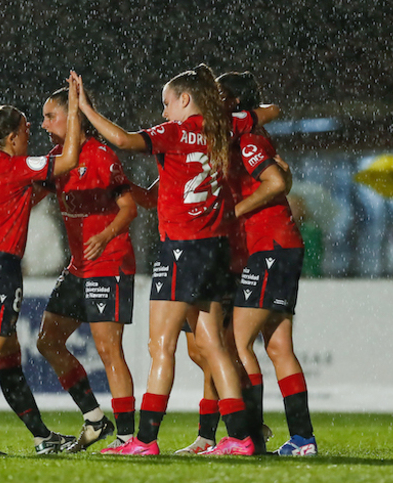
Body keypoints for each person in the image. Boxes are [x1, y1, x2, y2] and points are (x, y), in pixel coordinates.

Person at [74, 65, 257, 456]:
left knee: (161, 345)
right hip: (216, 248)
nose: (163, 113)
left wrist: (87, 109)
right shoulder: (225, 128)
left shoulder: (174, 132)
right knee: (213, 346)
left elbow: (123, 139)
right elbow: (268, 112)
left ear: (185, 100)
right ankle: (241, 436)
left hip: (182, 249)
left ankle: (144, 440)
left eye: (166, 103)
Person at [0, 75, 82, 456]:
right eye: (26, 130)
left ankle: (43, 438)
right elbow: (70, 159)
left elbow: (12, 202)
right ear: (11, 138)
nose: (30, 136)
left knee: (9, 358)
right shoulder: (15, 167)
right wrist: (75, 111)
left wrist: (43, 186)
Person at [219, 71, 317, 456]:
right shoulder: (240, 136)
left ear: (233, 101)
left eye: (219, 95)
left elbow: (276, 182)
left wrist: (234, 213)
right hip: (280, 246)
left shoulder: (246, 140)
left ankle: (250, 436)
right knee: (278, 347)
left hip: (270, 246)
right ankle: (302, 438)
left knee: (235, 342)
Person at [35, 86, 138, 452]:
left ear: (73, 115)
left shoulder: (99, 155)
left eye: (51, 115)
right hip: (80, 268)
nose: (44, 123)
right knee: (47, 341)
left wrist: (106, 234)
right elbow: (29, 194)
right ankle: (95, 417)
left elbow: (129, 207)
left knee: (109, 350)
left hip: (109, 263)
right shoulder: (57, 158)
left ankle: (127, 436)